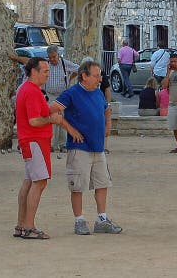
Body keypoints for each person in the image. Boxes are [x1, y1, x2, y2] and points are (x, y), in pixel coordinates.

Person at [51, 59, 123, 236]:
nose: (100, 80)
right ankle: (79, 220)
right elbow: (53, 110)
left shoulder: (98, 93)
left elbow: (107, 109)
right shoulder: (72, 93)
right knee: (77, 185)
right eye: (97, 76)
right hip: (79, 147)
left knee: (102, 183)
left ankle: (102, 219)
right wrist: (70, 129)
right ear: (84, 76)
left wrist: (108, 126)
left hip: (98, 147)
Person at [14, 57, 64, 240]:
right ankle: (28, 226)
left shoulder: (26, 89)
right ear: (34, 71)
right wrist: (52, 119)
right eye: (45, 71)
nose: (48, 75)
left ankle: (22, 224)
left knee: (29, 181)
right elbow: (34, 121)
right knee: (39, 182)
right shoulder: (32, 91)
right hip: (35, 141)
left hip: (30, 141)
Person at [9, 45, 79, 152]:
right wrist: (15, 57)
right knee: (51, 117)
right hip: (50, 94)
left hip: (62, 94)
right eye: (49, 57)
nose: (51, 59)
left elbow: (78, 69)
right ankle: (52, 144)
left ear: (58, 55)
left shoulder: (65, 64)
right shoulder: (44, 65)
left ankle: (63, 144)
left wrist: (69, 78)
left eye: (54, 57)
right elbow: (28, 60)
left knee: (64, 118)